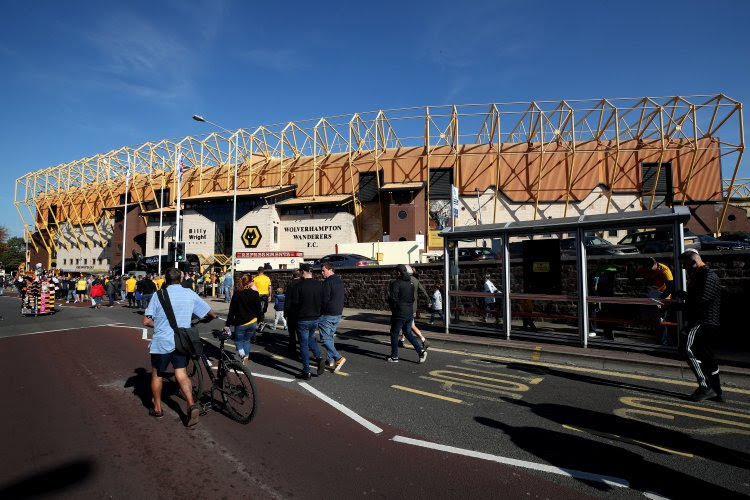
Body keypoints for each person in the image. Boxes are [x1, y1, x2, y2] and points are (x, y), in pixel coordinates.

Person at [143, 267, 215, 426]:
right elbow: (211, 314)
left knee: (157, 374)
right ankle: (191, 404)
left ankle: (157, 408)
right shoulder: (189, 293)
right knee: (181, 374)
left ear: (165, 280)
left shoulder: (158, 295)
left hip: (162, 341)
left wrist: (160, 324)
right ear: (181, 279)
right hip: (181, 341)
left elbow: (147, 321)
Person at [678, 249, 723, 402]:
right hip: (705, 321)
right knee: (706, 356)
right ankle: (716, 391)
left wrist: (680, 306)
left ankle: (706, 387)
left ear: (693, 262)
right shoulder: (700, 275)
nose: (684, 268)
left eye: (685, 265)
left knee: (686, 347)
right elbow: (698, 297)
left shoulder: (707, 276)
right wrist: (684, 296)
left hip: (703, 320)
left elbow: (702, 301)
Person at [287, 264, 324, 380]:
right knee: (310, 338)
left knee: (303, 344)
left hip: (303, 318)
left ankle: (306, 371)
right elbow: (323, 301)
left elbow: (295, 303)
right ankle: (319, 357)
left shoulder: (299, 286)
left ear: (303, 272)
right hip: (315, 318)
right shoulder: (319, 285)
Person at [387, 264, 428, 363]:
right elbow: (412, 298)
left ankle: (394, 356)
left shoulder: (396, 283)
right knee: (408, 332)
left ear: (398, 273)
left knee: (394, 333)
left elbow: (393, 299)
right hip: (409, 312)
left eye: (396, 272)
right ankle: (421, 351)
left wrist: (393, 307)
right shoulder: (410, 284)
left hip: (399, 313)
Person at [226, 274, 262, 366]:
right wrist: (260, 320)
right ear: (250, 282)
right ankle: (246, 358)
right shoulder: (255, 294)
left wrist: (228, 324)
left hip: (241, 323)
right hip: (253, 322)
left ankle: (243, 356)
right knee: (247, 340)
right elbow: (259, 309)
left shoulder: (237, 294)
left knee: (238, 341)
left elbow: (232, 310)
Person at [639, 258, 675, 345]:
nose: (649, 270)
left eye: (650, 268)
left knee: (662, 320)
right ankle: (660, 340)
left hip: (663, 298)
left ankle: (663, 342)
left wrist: (659, 299)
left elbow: (670, 288)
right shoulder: (644, 268)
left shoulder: (664, 270)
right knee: (654, 320)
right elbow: (633, 275)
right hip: (651, 297)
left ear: (655, 264)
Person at [319, 263, 347, 372]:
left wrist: (320, 311)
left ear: (330, 270)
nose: (322, 273)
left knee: (325, 339)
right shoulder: (339, 281)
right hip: (338, 313)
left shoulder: (327, 282)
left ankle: (338, 357)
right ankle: (330, 360)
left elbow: (324, 300)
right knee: (330, 337)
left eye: (323, 270)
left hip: (328, 314)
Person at [399, 266, 429, 350]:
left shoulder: (404, 280)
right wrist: (429, 300)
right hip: (414, 306)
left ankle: (424, 340)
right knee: (406, 325)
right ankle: (401, 340)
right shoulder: (416, 281)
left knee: (411, 325)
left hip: (407, 306)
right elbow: (423, 290)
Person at [284, 270, 303, 354]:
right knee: (300, 330)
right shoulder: (303, 283)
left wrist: (285, 312)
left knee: (292, 330)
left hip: (292, 310)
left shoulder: (291, 284)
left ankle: (292, 346)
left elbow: (287, 299)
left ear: (293, 275)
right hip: (301, 310)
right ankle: (302, 346)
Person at [253, 267, 272, 333]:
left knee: (256, 309)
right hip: (265, 295)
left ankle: (257, 322)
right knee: (263, 310)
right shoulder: (267, 278)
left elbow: (253, 288)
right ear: (263, 271)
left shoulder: (255, 279)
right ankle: (261, 322)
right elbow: (269, 287)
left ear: (258, 271)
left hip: (257, 296)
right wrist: (270, 296)